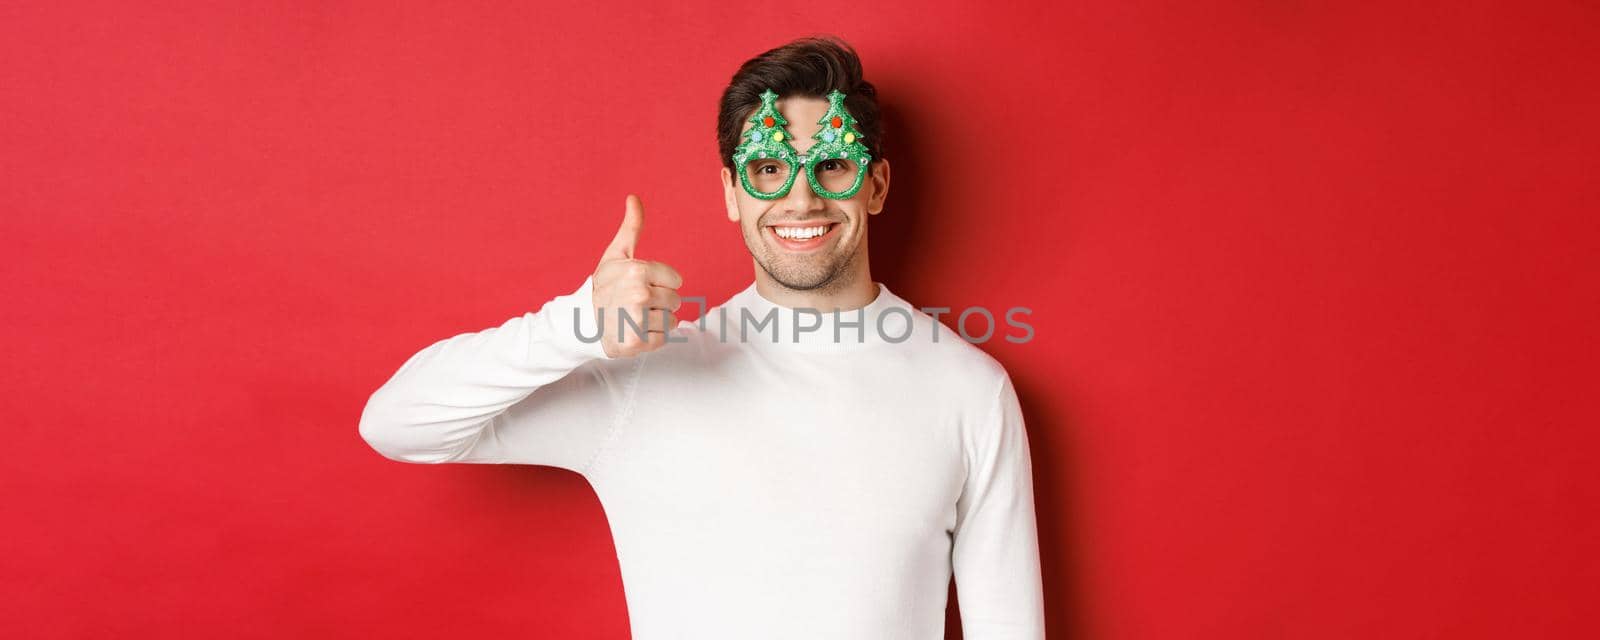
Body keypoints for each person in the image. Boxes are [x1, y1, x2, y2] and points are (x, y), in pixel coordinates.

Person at [358, 35, 1046, 639]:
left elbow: (1008, 627)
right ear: (730, 192)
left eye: (833, 164)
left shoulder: (968, 391)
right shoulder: (644, 377)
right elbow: (395, 424)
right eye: (769, 170)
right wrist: (575, 326)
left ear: (876, 185)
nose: (801, 200)